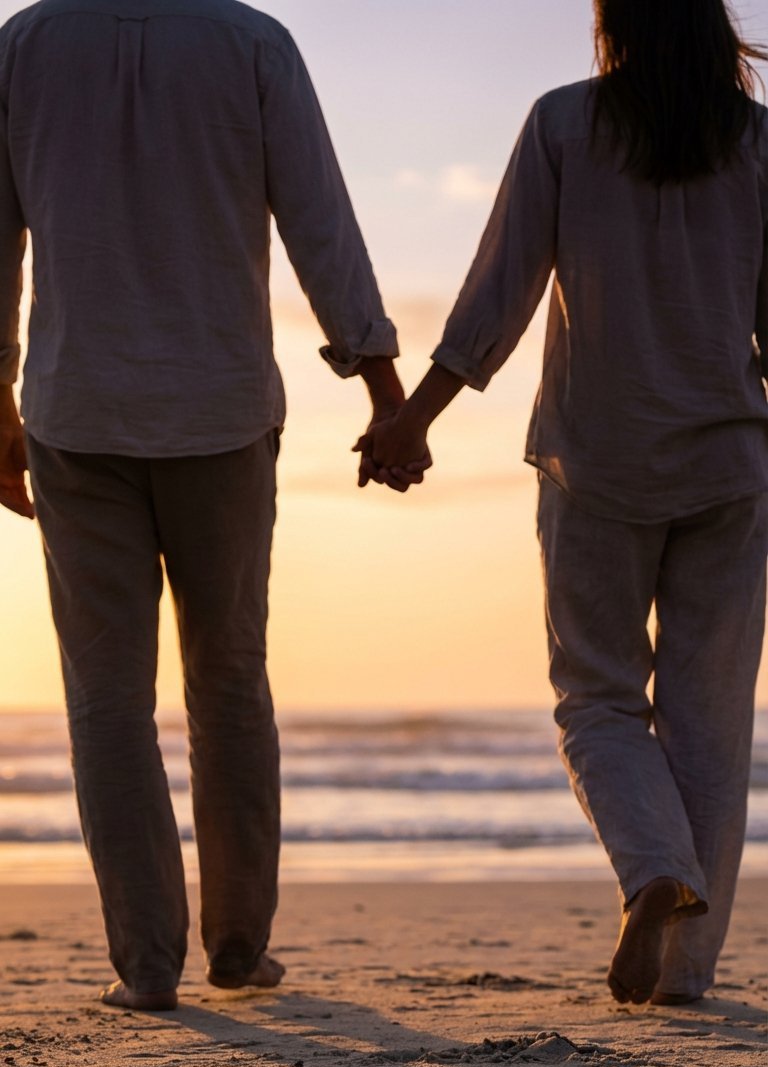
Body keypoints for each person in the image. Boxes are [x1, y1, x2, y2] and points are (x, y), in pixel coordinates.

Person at [0, 0, 428, 1011]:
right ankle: (237, 944)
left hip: (78, 408)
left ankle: (147, 965)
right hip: (222, 408)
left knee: (106, 699)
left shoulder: (21, 47)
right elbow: (319, 217)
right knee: (230, 679)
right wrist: (381, 382)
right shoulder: (251, 43)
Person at [359, 0, 768, 1006]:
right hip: (731, 462)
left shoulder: (562, 125)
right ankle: (685, 976)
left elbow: (499, 292)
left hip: (597, 461)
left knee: (596, 697)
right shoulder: (758, 141)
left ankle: (650, 867)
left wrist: (415, 417)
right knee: (711, 719)